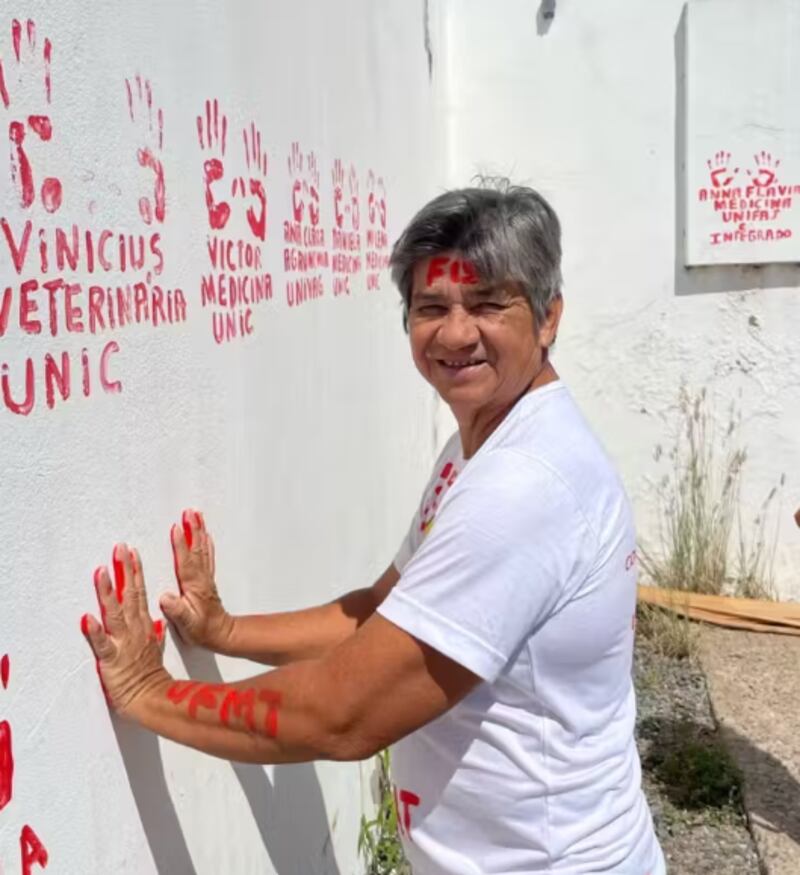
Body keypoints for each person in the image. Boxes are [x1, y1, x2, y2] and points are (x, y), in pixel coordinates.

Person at [81, 182, 666, 874]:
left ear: (548, 317)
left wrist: (152, 694)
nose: (454, 332)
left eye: (486, 303)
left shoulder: (524, 486)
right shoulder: (484, 446)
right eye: (430, 307)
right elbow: (384, 609)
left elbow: (343, 713)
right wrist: (226, 632)